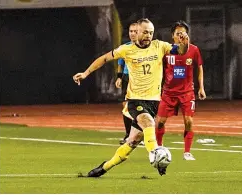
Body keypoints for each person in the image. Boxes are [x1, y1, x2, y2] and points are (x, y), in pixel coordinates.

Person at [72, 18, 189, 177]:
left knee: (133, 141)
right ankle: (156, 155)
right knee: (148, 123)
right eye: (145, 32)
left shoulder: (159, 46)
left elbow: (181, 51)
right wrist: (85, 73)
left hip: (154, 102)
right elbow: (104, 58)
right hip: (135, 100)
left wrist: (185, 42)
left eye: (151, 32)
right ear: (138, 32)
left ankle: (104, 167)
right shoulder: (127, 49)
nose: (148, 35)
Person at [155, 21, 206, 161]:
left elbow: (200, 68)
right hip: (168, 92)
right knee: (159, 122)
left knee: (189, 121)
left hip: (187, 92)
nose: (181, 36)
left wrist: (201, 87)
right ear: (173, 36)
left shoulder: (194, 50)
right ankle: (159, 148)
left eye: (183, 33)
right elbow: (159, 70)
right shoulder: (167, 50)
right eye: (178, 34)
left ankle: (187, 152)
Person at [115, 23, 138, 145]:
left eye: (135, 31)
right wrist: (119, 77)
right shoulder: (124, 47)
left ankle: (140, 134)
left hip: (139, 79)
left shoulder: (145, 48)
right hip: (126, 78)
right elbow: (120, 63)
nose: (133, 33)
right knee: (126, 107)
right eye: (131, 31)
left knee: (139, 106)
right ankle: (128, 134)